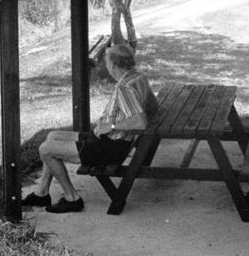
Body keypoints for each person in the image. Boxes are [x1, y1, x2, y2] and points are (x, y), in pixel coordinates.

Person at [23, 42, 158, 213]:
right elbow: (153, 107)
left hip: (108, 147)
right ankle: (41, 194)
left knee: (45, 149)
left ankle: (72, 198)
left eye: (107, 62)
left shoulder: (124, 87)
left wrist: (113, 125)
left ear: (113, 65)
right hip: (110, 141)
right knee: (52, 136)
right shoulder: (139, 76)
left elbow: (140, 122)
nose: (106, 65)